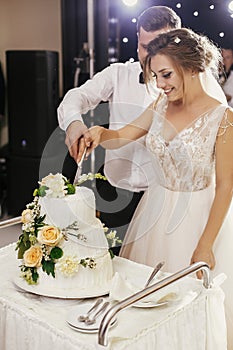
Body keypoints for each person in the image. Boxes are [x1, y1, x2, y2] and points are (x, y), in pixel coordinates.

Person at [84, 28, 233, 348]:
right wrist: (100, 133)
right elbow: (125, 134)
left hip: (198, 220)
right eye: (155, 76)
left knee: (189, 312)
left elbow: (226, 186)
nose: (161, 84)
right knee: (144, 310)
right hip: (155, 209)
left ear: (192, 67)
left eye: (166, 75)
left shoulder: (223, 118)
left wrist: (205, 245)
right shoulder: (161, 105)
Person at [58, 6, 226, 250]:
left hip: (167, 201)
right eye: (145, 47)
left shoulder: (210, 109)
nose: (150, 57)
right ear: (137, 39)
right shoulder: (119, 75)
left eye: (159, 47)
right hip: (117, 191)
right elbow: (80, 99)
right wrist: (78, 125)